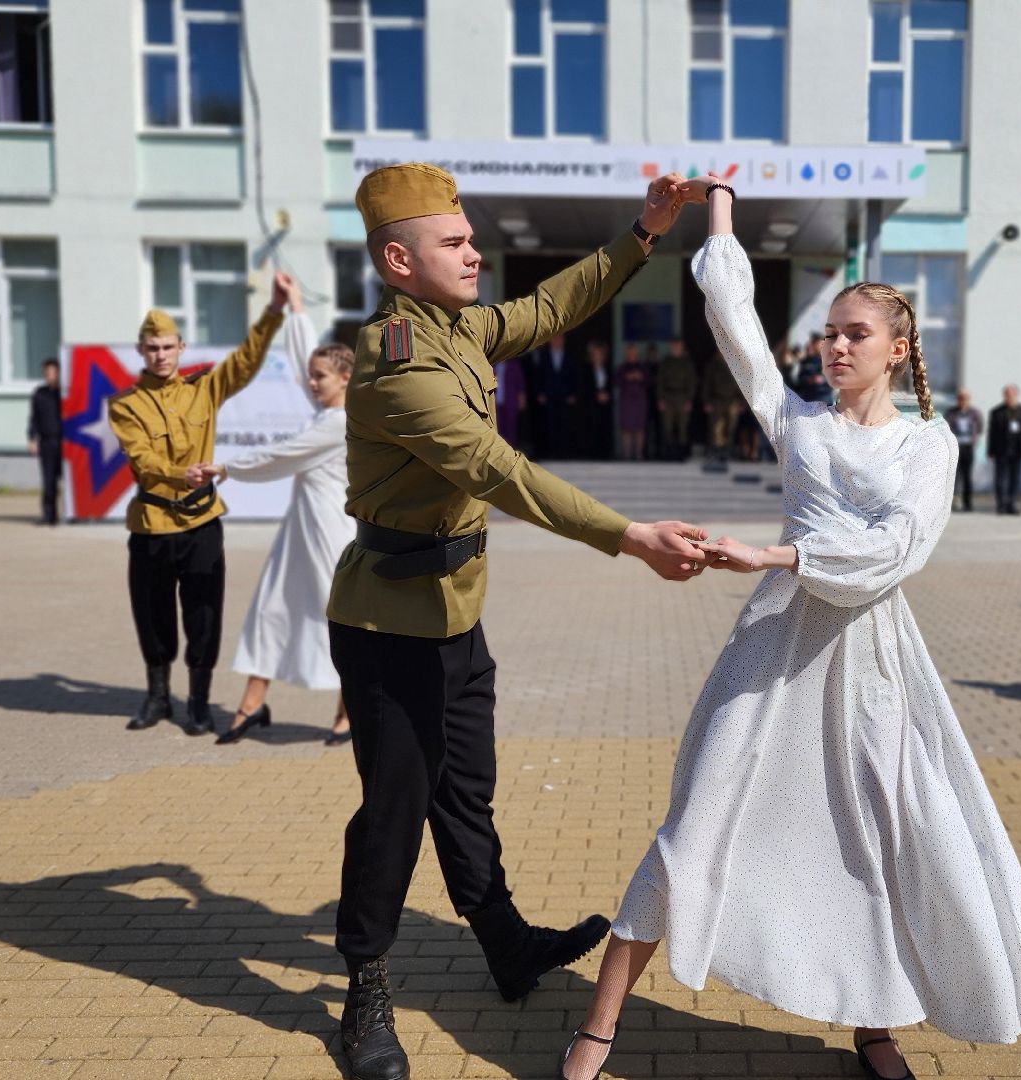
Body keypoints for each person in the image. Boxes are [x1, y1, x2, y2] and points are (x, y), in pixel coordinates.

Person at [557, 175, 1021, 1080]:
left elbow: (898, 549)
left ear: (897, 349)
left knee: (871, 836)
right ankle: (596, 1030)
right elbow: (736, 323)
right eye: (828, 332)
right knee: (691, 826)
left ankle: (873, 1026)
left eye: (853, 334)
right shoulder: (798, 425)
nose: (833, 346)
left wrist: (779, 557)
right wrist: (718, 205)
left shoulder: (929, 445)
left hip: (870, 664)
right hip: (768, 653)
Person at [325, 162, 712, 1080]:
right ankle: (363, 993)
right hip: (391, 626)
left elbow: (548, 308)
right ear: (398, 259)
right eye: (454, 243)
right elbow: (501, 472)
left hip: (456, 613)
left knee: (466, 791)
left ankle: (503, 942)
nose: (472, 255)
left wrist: (644, 233)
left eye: (469, 238)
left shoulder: (455, 329)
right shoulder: (397, 365)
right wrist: (630, 537)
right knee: (394, 809)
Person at [108, 275, 293, 736]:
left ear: (181, 347)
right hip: (151, 524)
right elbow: (141, 458)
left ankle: (198, 702)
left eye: (168, 347)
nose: (161, 356)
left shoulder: (204, 389)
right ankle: (156, 698)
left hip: (201, 524)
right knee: (153, 619)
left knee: (204, 615)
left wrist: (272, 312)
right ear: (141, 351)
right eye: (152, 348)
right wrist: (178, 473)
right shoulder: (125, 405)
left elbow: (246, 361)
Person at [187, 303, 356, 747]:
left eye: (320, 377)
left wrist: (225, 469)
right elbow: (309, 359)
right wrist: (296, 308)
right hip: (298, 535)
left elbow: (279, 456)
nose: (310, 382)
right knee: (270, 612)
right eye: (312, 376)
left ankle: (349, 709)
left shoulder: (338, 423)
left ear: (345, 378)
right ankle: (251, 704)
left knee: (339, 624)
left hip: (331, 537)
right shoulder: (325, 411)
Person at [526, 334, 577, 459]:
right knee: (550, 423)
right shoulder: (544, 355)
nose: (557, 341)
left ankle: (563, 451)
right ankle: (551, 451)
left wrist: (573, 393)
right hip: (549, 395)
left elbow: (574, 376)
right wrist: (540, 393)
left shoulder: (570, 355)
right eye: (554, 339)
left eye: (560, 339)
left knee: (564, 424)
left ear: (563, 341)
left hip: (565, 396)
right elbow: (539, 376)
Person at [27, 357, 63, 525]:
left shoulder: (65, 394)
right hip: (47, 443)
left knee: (70, 481)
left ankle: (72, 514)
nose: (50, 375)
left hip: (65, 443)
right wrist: (32, 438)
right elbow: (34, 419)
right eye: (46, 373)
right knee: (49, 482)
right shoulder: (39, 394)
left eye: (53, 372)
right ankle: (49, 515)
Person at [986, 384, 1021, 515]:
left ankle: (1012, 503)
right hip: (1001, 450)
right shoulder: (996, 411)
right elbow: (992, 433)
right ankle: (1001, 505)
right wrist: (990, 451)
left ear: (1016, 395)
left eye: (1011, 394)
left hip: (1018, 450)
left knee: (1014, 479)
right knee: (1000, 479)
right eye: (1006, 394)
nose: (1009, 397)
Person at [656, 338, 697, 460]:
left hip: (683, 398)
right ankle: (669, 453)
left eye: (678, 346)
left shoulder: (687, 363)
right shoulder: (665, 362)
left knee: (682, 427)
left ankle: (682, 454)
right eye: (673, 346)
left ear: (682, 347)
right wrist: (660, 399)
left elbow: (692, 383)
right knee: (667, 426)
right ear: (670, 347)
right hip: (668, 398)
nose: (675, 348)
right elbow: (660, 382)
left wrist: (689, 399)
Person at [943, 389, 983, 511]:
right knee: (954, 476)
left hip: (968, 447)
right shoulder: (951, 413)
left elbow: (980, 427)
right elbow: (945, 427)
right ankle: (953, 503)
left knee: (967, 476)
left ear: (968, 400)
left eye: (965, 398)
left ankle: (967, 503)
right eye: (960, 398)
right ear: (957, 400)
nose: (963, 401)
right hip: (955, 448)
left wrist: (973, 439)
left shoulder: (974, 413)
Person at [701, 347, 742, 462]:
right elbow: (707, 384)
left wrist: (741, 402)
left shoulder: (735, 364)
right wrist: (706, 401)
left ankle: (727, 449)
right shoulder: (713, 365)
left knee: (731, 426)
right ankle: (716, 450)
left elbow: (741, 384)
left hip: (732, 400)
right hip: (717, 400)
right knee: (716, 427)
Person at [577, 340, 615, 460]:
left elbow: (611, 385)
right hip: (591, 404)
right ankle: (592, 453)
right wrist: (596, 395)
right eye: (595, 354)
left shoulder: (607, 369)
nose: (597, 356)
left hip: (605, 403)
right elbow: (584, 387)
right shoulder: (586, 369)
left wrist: (607, 395)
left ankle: (605, 452)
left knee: (604, 427)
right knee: (592, 427)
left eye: (599, 354)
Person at [615, 343, 651, 461]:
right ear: (626, 355)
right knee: (626, 429)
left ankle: (639, 455)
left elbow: (649, 381)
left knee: (639, 429)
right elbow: (615, 381)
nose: (631, 356)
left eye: (633, 353)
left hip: (639, 402)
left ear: (637, 355)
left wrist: (640, 377)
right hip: (626, 401)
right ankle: (627, 455)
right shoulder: (622, 368)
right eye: (629, 354)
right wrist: (627, 377)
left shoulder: (643, 367)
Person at [493, 351, 526, 450]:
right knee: (497, 428)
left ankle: (511, 451)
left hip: (510, 401)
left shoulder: (513, 365)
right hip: (495, 402)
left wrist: (522, 401)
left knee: (510, 428)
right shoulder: (492, 366)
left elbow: (520, 384)